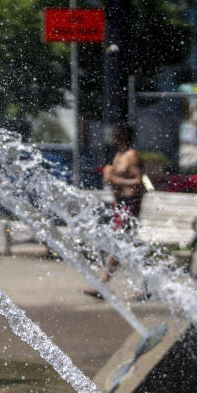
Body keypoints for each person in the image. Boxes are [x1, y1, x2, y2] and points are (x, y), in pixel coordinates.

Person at [84, 122, 147, 298]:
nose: (112, 135)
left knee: (120, 245)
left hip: (130, 204)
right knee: (125, 246)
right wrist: (109, 174)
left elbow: (138, 182)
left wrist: (118, 181)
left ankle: (102, 284)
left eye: (116, 133)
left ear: (123, 135)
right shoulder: (118, 155)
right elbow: (111, 179)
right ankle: (146, 287)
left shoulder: (131, 155)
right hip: (118, 205)